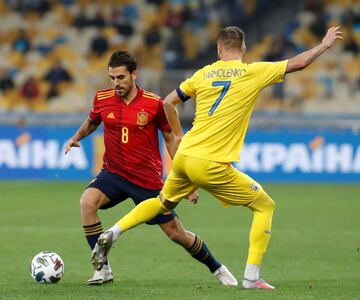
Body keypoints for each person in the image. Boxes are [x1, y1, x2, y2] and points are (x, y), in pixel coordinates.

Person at [91, 26, 343, 289]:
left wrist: (178, 137)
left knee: (162, 202)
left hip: (186, 154)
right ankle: (251, 277)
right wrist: (324, 45)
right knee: (265, 206)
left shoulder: (204, 73)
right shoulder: (253, 72)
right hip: (210, 162)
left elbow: (168, 103)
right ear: (243, 49)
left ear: (219, 49)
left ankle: (114, 231)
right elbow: (299, 63)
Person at [64, 50, 237, 286]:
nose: (116, 83)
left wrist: (185, 182)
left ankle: (217, 268)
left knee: (177, 234)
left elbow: (171, 140)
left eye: (121, 78)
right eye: (112, 78)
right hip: (113, 173)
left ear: (134, 75)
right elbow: (93, 121)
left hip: (147, 181)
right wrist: (76, 137)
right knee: (87, 202)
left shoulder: (154, 103)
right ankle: (102, 270)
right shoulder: (102, 98)